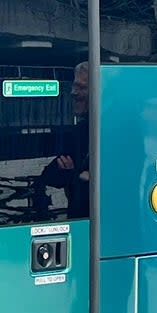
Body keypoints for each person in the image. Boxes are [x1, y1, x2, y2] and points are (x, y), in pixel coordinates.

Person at [40, 61, 90, 219]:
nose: (73, 92)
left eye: (81, 87)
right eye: (74, 86)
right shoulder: (80, 132)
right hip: (80, 224)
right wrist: (78, 175)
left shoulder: (125, 134)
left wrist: (76, 176)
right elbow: (48, 175)